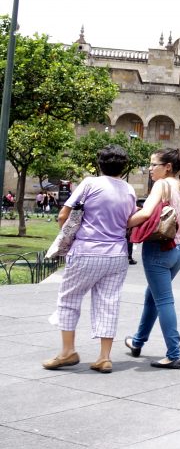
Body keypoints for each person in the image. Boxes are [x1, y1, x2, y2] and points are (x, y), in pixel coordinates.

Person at [43, 145, 137, 373]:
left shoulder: (90, 183)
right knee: (109, 303)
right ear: (124, 167)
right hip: (117, 255)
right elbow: (129, 220)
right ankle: (104, 357)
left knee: (69, 300)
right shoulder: (129, 190)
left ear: (99, 164)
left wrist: (67, 236)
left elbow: (64, 215)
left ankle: (68, 352)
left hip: (87, 251)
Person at [125, 148, 180, 369]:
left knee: (164, 300)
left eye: (154, 165)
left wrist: (120, 222)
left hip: (159, 248)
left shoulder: (161, 184)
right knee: (153, 296)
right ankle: (137, 341)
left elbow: (146, 213)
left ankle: (174, 354)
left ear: (167, 167)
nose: (150, 169)